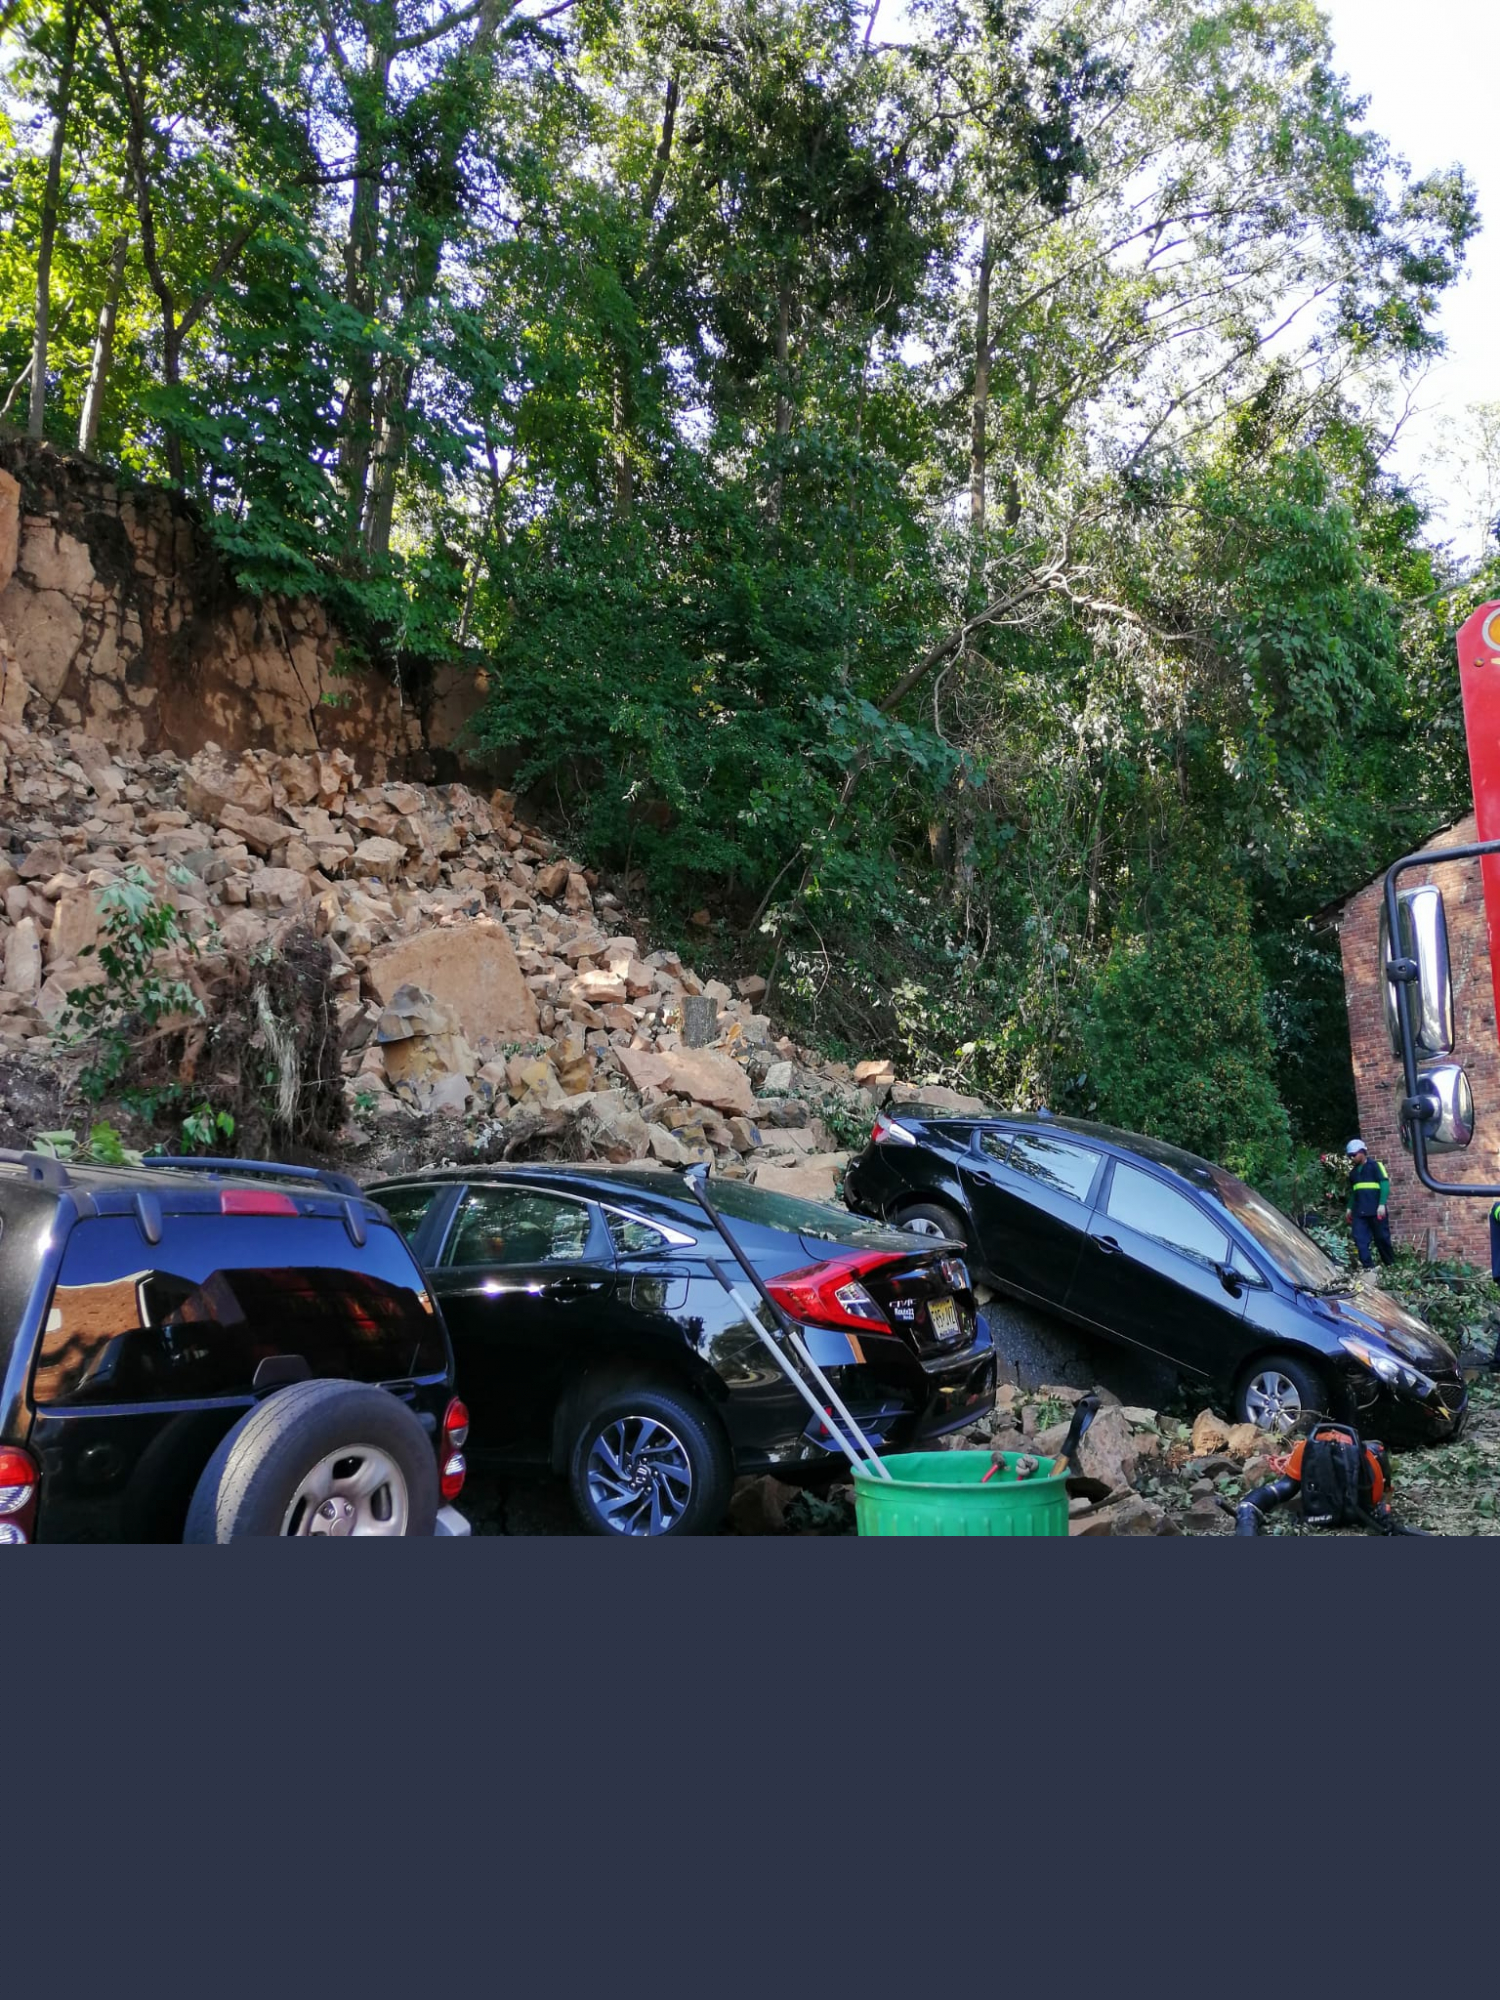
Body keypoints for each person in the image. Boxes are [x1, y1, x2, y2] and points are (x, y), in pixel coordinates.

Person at [1344, 1139, 1394, 1269]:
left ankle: (1390, 1265)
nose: (1352, 1158)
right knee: (1360, 1239)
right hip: (1359, 1212)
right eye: (1350, 1156)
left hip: (1376, 1210)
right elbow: (1355, 1192)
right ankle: (1368, 1267)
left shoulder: (1376, 1166)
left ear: (1362, 1152)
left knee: (1382, 1239)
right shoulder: (1353, 1173)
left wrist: (1382, 1204)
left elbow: (1384, 1185)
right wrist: (1349, 1208)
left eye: (1354, 1155)